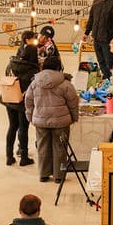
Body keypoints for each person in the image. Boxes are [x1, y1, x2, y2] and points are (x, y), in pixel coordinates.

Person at [24, 56, 79, 184]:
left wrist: (31, 117)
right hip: (61, 121)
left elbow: (28, 101)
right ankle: (59, 175)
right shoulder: (65, 83)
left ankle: (43, 174)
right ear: (58, 67)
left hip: (41, 121)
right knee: (60, 147)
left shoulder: (34, 83)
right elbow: (73, 102)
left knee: (42, 147)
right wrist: (73, 117)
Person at [3, 34, 39, 167]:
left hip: (9, 98)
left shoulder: (11, 63)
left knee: (12, 126)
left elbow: (7, 76)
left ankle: (9, 156)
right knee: (23, 128)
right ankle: (24, 157)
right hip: (23, 102)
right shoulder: (33, 69)